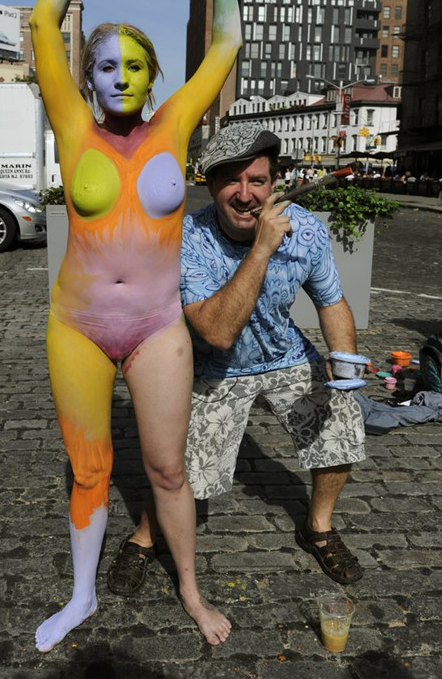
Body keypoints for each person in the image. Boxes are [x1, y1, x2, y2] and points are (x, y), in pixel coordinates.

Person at [29, 0, 241, 651]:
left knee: (166, 470)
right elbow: (43, 22)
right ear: (87, 78)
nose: (120, 77)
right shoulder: (72, 124)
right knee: (90, 468)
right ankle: (81, 595)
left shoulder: (174, 124)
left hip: (156, 327)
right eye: (106, 66)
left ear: (153, 77)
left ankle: (192, 590)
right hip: (77, 327)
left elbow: (226, 41)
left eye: (134, 66)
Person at [108, 123, 367, 597]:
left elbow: (331, 300)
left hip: (286, 354)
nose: (246, 195)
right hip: (215, 366)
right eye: (232, 181)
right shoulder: (188, 238)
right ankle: (144, 536)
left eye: (258, 180)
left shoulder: (306, 229)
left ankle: (318, 528)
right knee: (179, 467)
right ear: (210, 185)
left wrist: (344, 357)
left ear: (275, 183)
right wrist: (262, 249)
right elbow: (216, 332)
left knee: (341, 426)